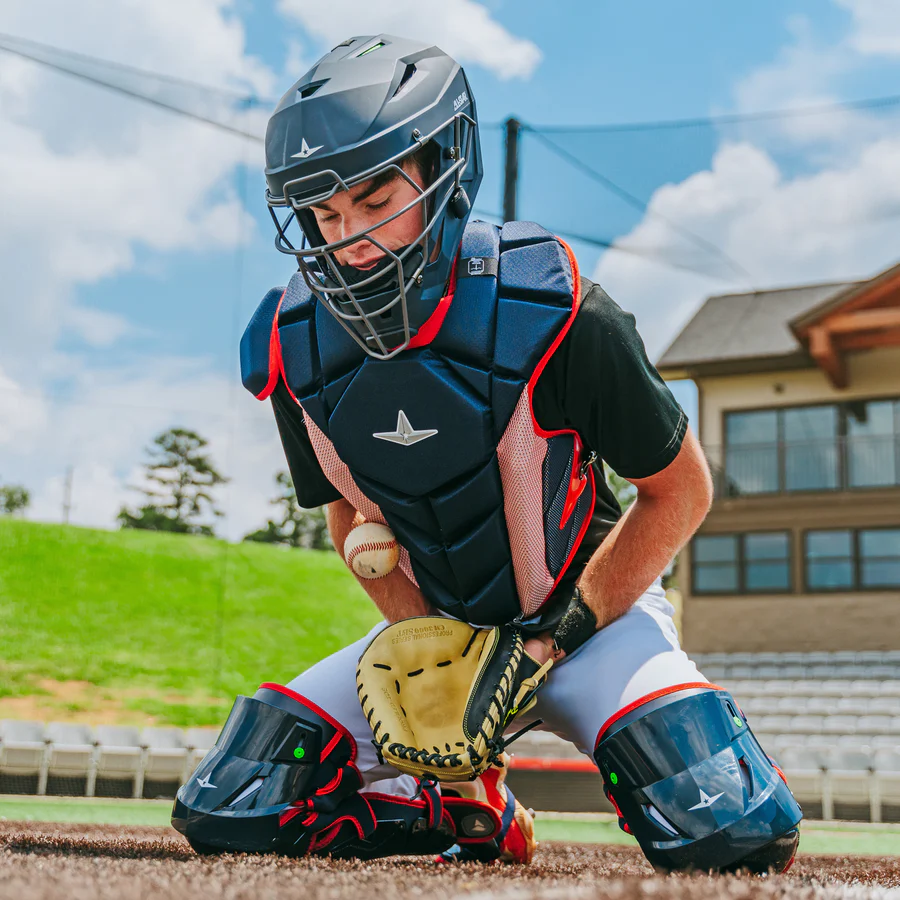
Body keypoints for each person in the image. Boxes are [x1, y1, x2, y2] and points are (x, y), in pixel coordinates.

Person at [172, 34, 801, 871]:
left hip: (593, 625)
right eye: (324, 216)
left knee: (733, 830)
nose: (348, 239)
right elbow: (349, 521)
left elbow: (681, 492)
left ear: (443, 168)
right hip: (444, 644)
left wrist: (544, 647)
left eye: (374, 199)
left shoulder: (557, 309)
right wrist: (433, 669)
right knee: (232, 806)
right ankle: (456, 807)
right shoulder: (292, 347)